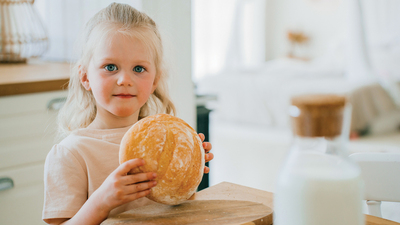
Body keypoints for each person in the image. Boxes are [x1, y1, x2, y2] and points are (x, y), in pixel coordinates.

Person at [42, 3, 213, 225]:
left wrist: (188, 174)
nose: (125, 80)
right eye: (110, 67)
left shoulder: (163, 143)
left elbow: (176, 213)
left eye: (139, 69)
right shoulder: (70, 155)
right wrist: (101, 202)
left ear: (154, 81)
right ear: (85, 77)